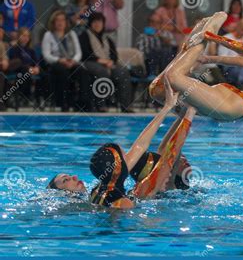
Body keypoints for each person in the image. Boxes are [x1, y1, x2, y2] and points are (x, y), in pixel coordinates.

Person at [47, 79, 196, 208]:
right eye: (124, 156)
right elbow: (170, 153)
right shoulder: (138, 193)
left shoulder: (99, 189)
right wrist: (191, 112)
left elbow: (140, 145)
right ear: (118, 168)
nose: (129, 156)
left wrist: (167, 108)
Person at [79, 12, 133, 113]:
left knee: (123, 71)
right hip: (89, 62)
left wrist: (110, 61)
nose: (97, 24)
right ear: (90, 23)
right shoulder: (84, 36)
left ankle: (125, 105)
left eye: (100, 22)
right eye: (95, 22)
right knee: (102, 71)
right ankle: (102, 105)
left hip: (107, 63)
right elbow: (84, 54)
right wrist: (100, 60)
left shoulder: (106, 38)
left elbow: (114, 55)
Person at [41, 10, 90, 112]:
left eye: (62, 20)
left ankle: (82, 102)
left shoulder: (72, 34)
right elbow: (47, 55)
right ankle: (64, 102)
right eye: (57, 20)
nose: (60, 22)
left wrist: (73, 61)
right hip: (55, 63)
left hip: (71, 62)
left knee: (82, 71)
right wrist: (60, 60)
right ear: (53, 22)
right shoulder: (48, 35)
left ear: (66, 22)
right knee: (62, 71)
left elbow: (78, 53)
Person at [217, 19, 243, 89]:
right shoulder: (226, 38)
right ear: (237, 27)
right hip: (230, 67)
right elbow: (221, 59)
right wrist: (238, 57)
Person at [8, 27, 40, 103]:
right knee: (26, 72)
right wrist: (29, 68)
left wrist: (36, 68)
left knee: (44, 74)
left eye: (27, 36)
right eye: (23, 35)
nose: (26, 38)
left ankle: (40, 97)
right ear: (19, 36)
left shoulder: (31, 50)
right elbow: (16, 63)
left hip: (30, 70)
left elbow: (36, 61)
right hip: (18, 72)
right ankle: (24, 96)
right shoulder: (14, 49)